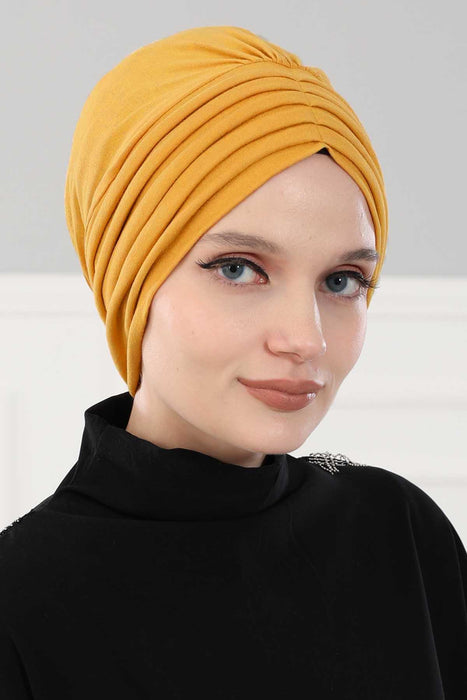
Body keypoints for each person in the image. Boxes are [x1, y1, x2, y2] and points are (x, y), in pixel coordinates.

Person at [1, 25, 466, 699]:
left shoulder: (400, 533)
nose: (304, 339)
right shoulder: (22, 601)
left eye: (341, 280)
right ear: (130, 280)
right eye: (238, 268)